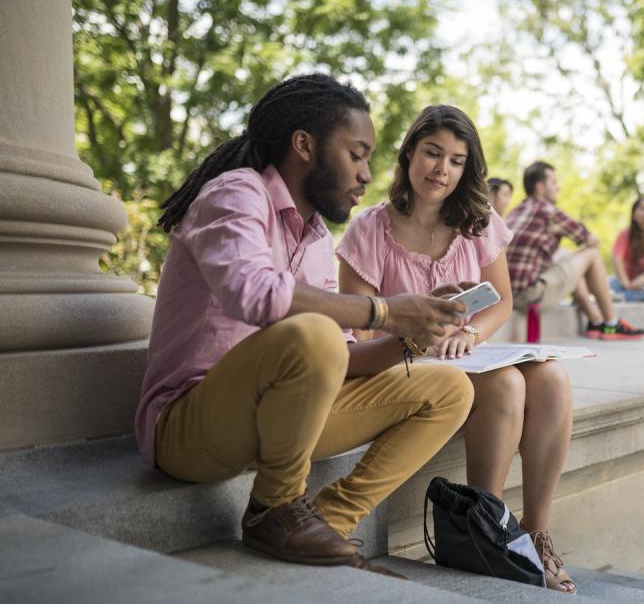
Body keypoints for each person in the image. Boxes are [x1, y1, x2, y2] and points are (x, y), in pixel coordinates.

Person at [136, 74, 476, 576]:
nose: (366, 173)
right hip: (191, 426)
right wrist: (385, 311)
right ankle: (274, 509)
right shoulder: (236, 194)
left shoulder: (317, 237)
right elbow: (254, 293)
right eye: (356, 154)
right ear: (305, 146)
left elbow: (340, 357)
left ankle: (329, 522)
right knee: (312, 329)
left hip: (279, 418)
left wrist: (413, 332)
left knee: (450, 389)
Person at [336, 105, 578, 594]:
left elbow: (501, 301)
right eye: (431, 153)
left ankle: (536, 530)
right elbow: (359, 331)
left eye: (456, 160)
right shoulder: (369, 230)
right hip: (402, 361)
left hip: (466, 355)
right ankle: (483, 531)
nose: (441, 169)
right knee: (508, 383)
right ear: (408, 155)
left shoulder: (479, 223)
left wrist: (469, 334)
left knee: (551, 377)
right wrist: (416, 325)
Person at [506, 161, 644, 340]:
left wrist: (556, 236)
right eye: (554, 183)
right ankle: (612, 323)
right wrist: (565, 234)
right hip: (529, 297)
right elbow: (591, 240)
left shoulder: (516, 211)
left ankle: (595, 321)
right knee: (591, 255)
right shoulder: (548, 211)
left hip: (508, 295)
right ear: (540, 187)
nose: (559, 187)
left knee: (567, 256)